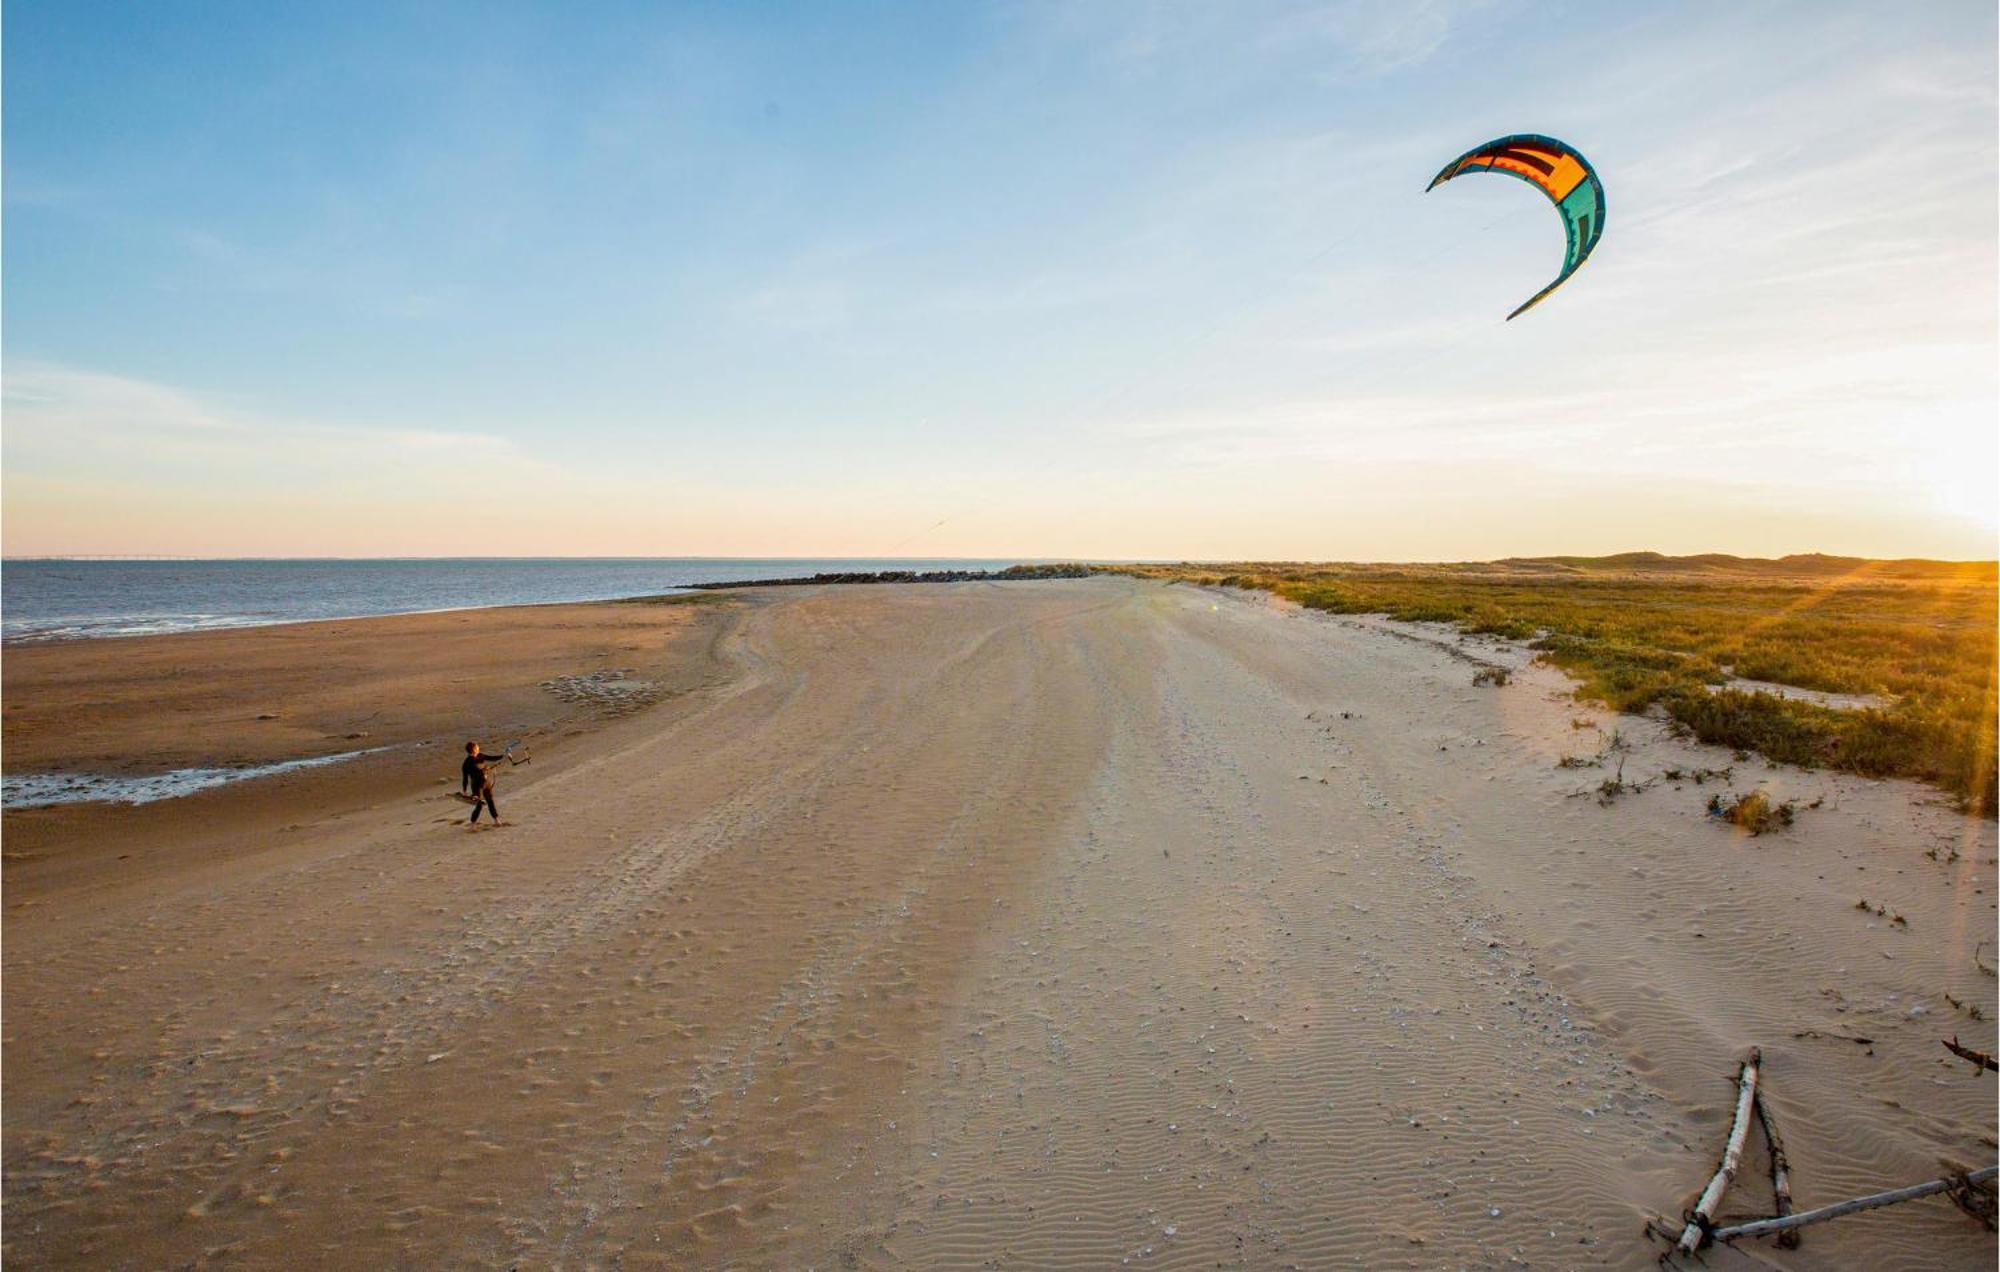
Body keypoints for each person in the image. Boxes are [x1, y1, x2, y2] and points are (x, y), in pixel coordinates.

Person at [460, 740, 511, 825]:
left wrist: (504, 756)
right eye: (477, 747)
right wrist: (464, 791)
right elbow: (465, 778)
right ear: (473, 749)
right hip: (476, 786)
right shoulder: (467, 763)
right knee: (479, 806)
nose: (478, 748)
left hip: (486, 783)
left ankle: (497, 820)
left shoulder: (481, 756)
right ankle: (473, 823)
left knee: (490, 801)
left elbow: (492, 758)